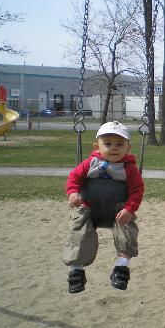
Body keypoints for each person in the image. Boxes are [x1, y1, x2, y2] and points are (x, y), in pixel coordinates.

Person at [63, 121, 144, 293]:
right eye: (108, 144)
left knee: (128, 232)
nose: (114, 148)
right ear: (97, 146)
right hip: (88, 208)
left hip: (118, 211)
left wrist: (129, 209)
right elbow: (74, 178)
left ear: (128, 148)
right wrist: (72, 193)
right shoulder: (89, 163)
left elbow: (137, 190)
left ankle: (121, 268)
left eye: (119, 144)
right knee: (78, 231)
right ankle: (76, 271)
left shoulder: (129, 169)